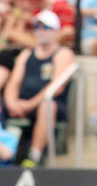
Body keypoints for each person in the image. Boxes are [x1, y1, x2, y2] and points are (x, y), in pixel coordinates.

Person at [3, 9, 76, 166]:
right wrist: (11, 103)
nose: (40, 31)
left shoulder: (63, 54)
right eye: (37, 27)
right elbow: (13, 82)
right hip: (22, 103)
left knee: (48, 106)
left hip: (49, 104)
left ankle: (34, 156)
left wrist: (29, 104)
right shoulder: (26, 54)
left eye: (45, 27)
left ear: (56, 31)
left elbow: (56, 87)